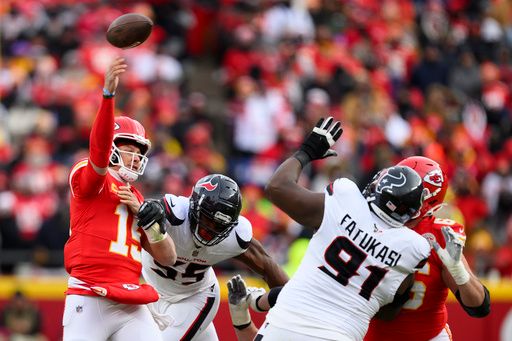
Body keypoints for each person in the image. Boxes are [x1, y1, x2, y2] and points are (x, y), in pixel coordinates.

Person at [256, 117, 432, 340]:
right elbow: (389, 312)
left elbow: (277, 187)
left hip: (284, 325)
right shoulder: (413, 248)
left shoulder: (345, 198)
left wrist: (307, 152)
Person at [62, 57, 177, 341]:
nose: (136, 158)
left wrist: (151, 223)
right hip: (90, 293)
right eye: (129, 149)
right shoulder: (91, 177)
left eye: (140, 152)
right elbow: (98, 154)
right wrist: (108, 96)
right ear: (112, 148)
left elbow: (168, 257)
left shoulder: (136, 197)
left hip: (130, 297)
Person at [135, 173, 289, 340]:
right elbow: (147, 209)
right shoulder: (175, 214)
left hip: (196, 297)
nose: (212, 230)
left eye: (221, 225)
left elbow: (268, 266)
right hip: (154, 293)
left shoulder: (236, 238)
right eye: (208, 220)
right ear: (193, 208)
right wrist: (150, 210)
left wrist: (297, 306)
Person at [364, 156, 490, 341]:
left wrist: (459, 273)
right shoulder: (368, 219)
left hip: (428, 336)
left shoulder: (438, 235)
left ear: (424, 202)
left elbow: (479, 307)